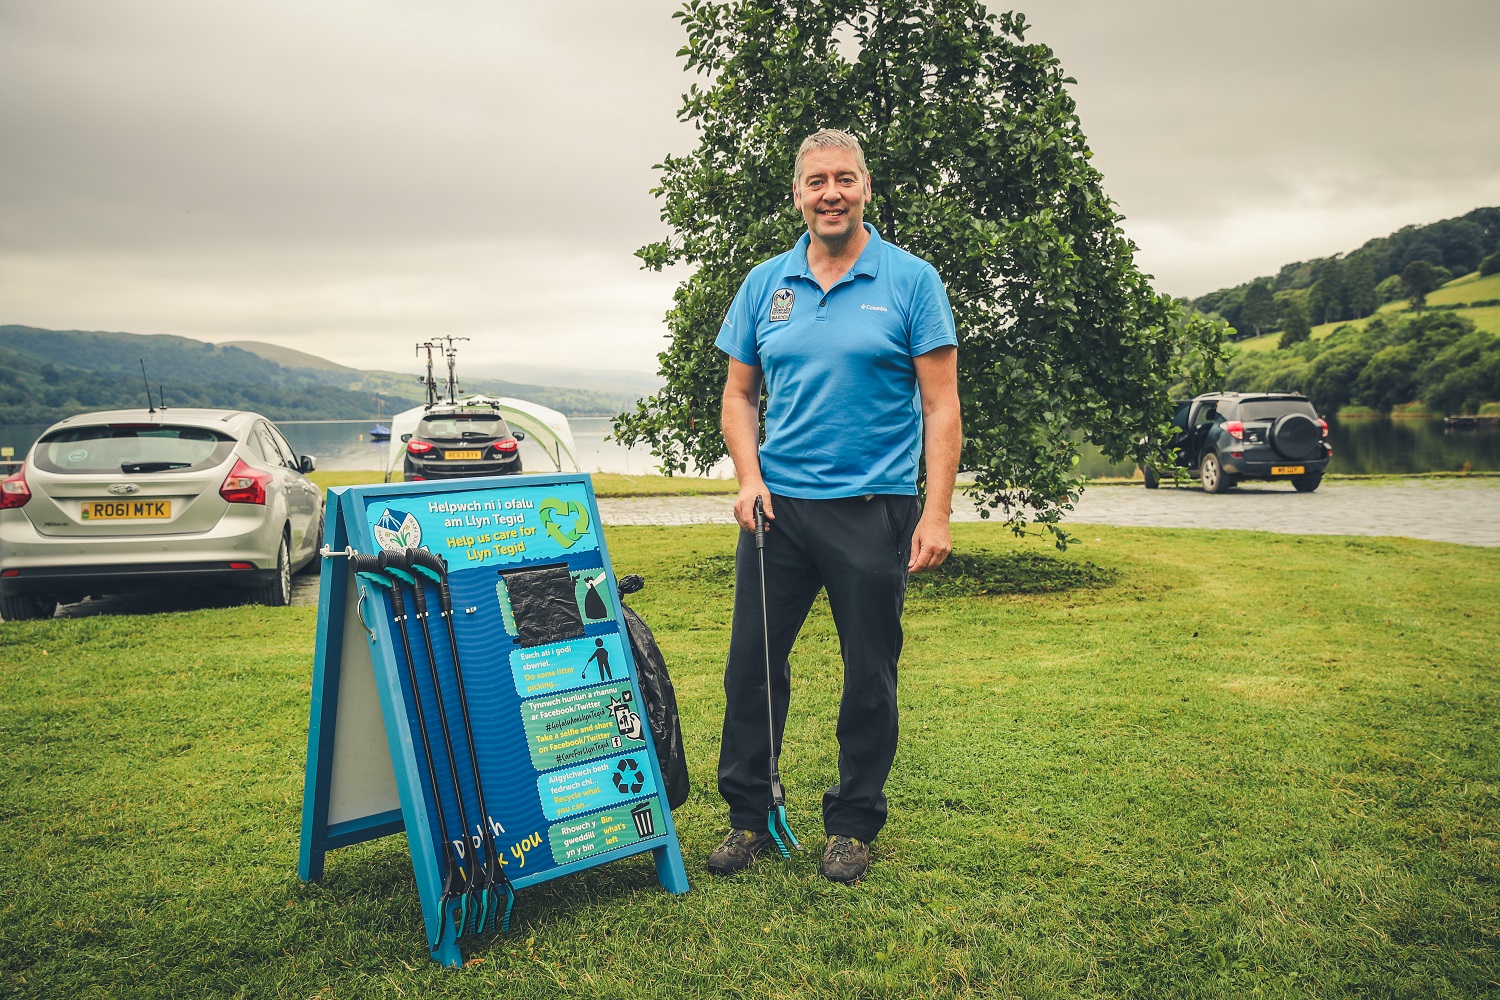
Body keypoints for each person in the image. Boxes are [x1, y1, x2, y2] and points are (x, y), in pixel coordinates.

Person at [706, 128, 962, 884]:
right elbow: (738, 394)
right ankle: (749, 815)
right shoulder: (765, 284)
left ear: (866, 188)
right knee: (750, 669)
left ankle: (852, 823)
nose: (831, 193)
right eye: (816, 181)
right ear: (797, 193)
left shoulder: (911, 280)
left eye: (844, 179)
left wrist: (936, 511)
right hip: (776, 511)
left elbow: (941, 406)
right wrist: (749, 478)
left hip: (874, 508)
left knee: (868, 673)